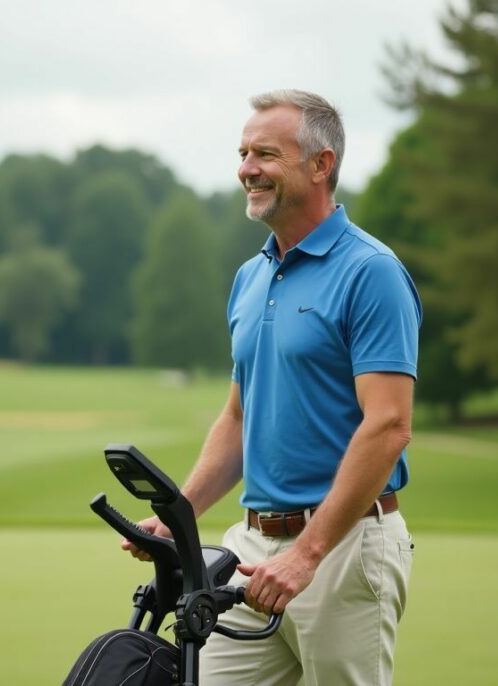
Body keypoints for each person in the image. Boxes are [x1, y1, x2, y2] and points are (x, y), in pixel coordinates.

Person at [123, 89, 421, 686]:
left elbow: (388, 425)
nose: (246, 169)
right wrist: (181, 515)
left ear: (321, 165)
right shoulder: (250, 276)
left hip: (342, 548)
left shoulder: (372, 272)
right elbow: (238, 416)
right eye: (242, 153)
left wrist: (307, 554)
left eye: (265, 154)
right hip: (252, 549)